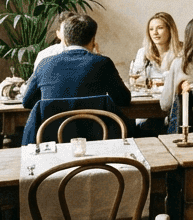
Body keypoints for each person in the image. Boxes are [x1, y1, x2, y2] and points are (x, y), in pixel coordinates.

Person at [21, 14, 131, 143]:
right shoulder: (103, 63)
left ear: (65, 40)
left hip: (53, 142)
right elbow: (123, 99)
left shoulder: (45, 63)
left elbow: (27, 101)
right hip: (97, 141)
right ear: (93, 39)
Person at [130, 12, 183, 82]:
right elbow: (135, 80)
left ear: (170, 30)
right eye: (151, 29)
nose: (155, 33)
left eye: (160, 28)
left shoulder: (182, 51)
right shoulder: (143, 52)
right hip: (148, 93)